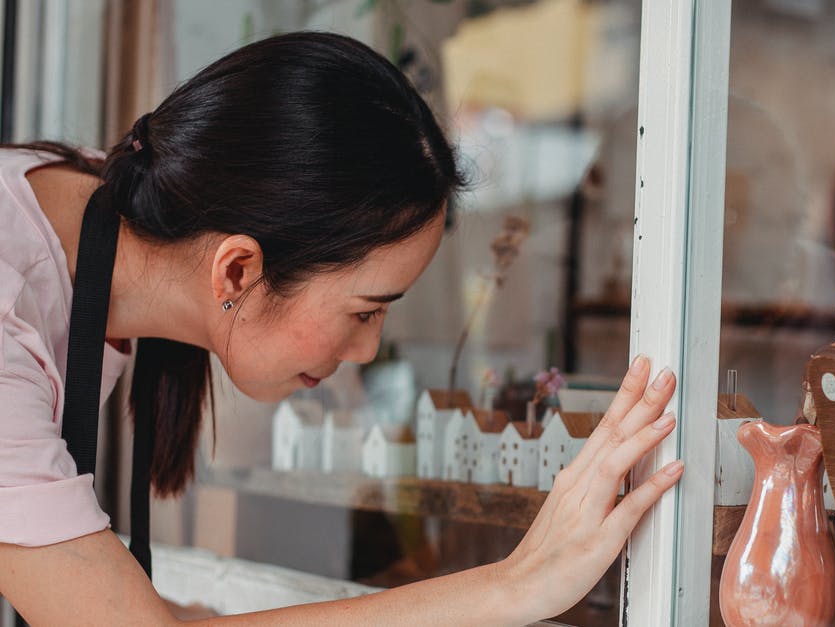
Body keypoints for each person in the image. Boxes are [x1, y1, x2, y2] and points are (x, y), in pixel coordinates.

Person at [0, 32, 683, 625]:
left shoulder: (123, 207)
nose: (367, 349)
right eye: (364, 310)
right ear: (237, 271)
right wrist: (516, 581)